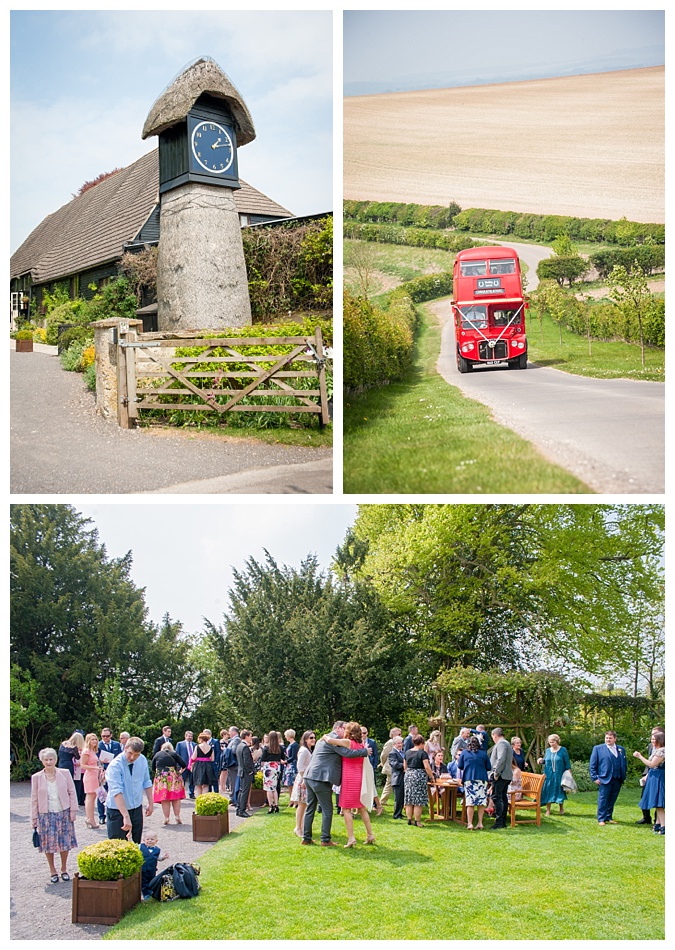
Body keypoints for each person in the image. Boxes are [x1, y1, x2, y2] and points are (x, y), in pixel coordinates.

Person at [302, 720, 368, 846]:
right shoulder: (333, 739)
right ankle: (325, 839)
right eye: (344, 728)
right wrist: (364, 751)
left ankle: (306, 838)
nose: (346, 732)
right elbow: (347, 753)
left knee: (310, 808)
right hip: (321, 778)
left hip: (310, 776)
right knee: (327, 809)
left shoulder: (326, 738)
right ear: (338, 728)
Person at [324, 722, 376, 847]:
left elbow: (331, 741)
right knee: (361, 808)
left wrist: (325, 736)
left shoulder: (348, 742)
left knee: (346, 809)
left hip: (349, 778)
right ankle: (370, 834)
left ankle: (351, 838)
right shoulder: (361, 745)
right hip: (359, 778)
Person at [31, 748, 78, 883]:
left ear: (55, 760)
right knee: (47, 843)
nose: (49, 762)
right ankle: (53, 870)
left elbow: (72, 792)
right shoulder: (36, 777)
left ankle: (64, 868)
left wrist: (73, 810)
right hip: (45, 814)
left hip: (63, 812)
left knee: (65, 841)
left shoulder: (64, 773)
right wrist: (34, 817)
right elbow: (34, 799)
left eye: (51, 759)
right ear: (42, 761)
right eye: (46, 760)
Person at [105, 736, 154, 844]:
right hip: (117, 810)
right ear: (125, 748)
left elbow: (146, 781)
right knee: (118, 845)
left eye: (136, 755)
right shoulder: (115, 765)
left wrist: (151, 802)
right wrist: (125, 816)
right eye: (130, 753)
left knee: (136, 844)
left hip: (136, 807)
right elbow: (116, 792)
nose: (132, 757)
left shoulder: (142, 760)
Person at [589, 730, 627, 826]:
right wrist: (594, 777)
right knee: (603, 799)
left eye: (610, 738)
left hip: (617, 778)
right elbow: (593, 764)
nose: (608, 740)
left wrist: (623, 775)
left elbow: (624, 763)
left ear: (615, 739)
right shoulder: (598, 749)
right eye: (606, 738)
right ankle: (601, 819)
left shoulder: (621, 749)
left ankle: (608, 817)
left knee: (612, 798)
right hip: (604, 778)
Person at [633, 729, 665, 835]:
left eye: (654, 739)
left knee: (659, 802)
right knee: (657, 803)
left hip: (658, 777)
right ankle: (658, 824)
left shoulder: (662, 751)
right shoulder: (658, 749)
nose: (652, 741)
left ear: (660, 740)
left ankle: (664, 826)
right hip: (654, 776)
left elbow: (652, 764)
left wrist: (640, 756)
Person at [151, 741, 187, 825]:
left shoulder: (157, 754)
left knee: (165, 798)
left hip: (161, 777)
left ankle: (166, 818)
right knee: (176, 797)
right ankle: (177, 816)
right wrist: (179, 772)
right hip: (173, 776)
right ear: (171, 748)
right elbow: (184, 765)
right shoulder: (174, 754)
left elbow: (153, 767)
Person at [459, 736, 491, 830]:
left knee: (470, 802)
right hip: (481, 779)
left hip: (469, 779)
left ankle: (470, 823)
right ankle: (480, 823)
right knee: (481, 802)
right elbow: (488, 767)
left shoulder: (465, 753)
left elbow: (460, 765)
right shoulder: (483, 753)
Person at [403, 734, 435, 827]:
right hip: (419, 776)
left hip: (409, 775)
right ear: (421, 743)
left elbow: (404, 766)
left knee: (409, 799)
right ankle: (417, 821)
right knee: (418, 800)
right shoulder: (422, 753)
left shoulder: (407, 752)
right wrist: (431, 777)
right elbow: (427, 767)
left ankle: (409, 819)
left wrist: (408, 772)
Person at [537, 734, 571, 817]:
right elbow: (546, 760)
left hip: (559, 774)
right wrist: (541, 760)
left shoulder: (563, 750)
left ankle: (561, 808)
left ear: (557, 741)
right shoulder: (548, 750)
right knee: (548, 791)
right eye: (550, 742)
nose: (551, 744)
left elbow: (567, 762)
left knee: (559, 791)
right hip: (548, 775)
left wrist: (569, 772)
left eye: (553, 742)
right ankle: (548, 810)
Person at [489, 728, 513, 830]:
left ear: (495, 735)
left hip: (501, 775)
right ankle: (502, 820)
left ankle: (500, 821)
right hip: (505, 775)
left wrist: (496, 773)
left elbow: (501, 759)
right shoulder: (505, 743)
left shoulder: (502, 744)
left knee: (496, 797)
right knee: (502, 797)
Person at [97, 728, 122, 825]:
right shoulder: (98, 745)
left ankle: (114, 814)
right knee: (101, 794)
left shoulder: (116, 745)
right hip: (102, 771)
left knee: (115, 792)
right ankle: (101, 816)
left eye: (107, 736)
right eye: (103, 736)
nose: (105, 738)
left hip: (114, 771)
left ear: (111, 735)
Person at [80, 733, 103, 829]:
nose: (95, 741)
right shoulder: (86, 751)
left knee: (93, 797)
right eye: (92, 739)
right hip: (90, 775)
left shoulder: (93, 751)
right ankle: (90, 818)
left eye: (96, 739)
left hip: (95, 775)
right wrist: (95, 768)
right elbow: (83, 765)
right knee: (90, 797)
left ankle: (91, 818)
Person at [261, 731, 286, 813]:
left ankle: (271, 805)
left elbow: (263, 759)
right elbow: (282, 758)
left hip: (268, 767)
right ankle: (276, 805)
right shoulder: (280, 748)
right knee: (274, 787)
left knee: (268, 788)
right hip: (276, 767)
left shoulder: (266, 748)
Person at [361, 726, 383, 815]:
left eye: (364, 733)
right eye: (361, 733)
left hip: (368, 766)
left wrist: (374, 766)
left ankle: (378, 805)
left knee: (371, 785)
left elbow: (375, 755)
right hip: (361, 766)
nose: (362, 735)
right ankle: (359, 807)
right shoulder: (357, 741)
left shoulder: (372, 742)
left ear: (367, 733)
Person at [140, 830, 168, 900]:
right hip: (143, 869)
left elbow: (158, 858)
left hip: (152, 870)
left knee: (152, 881)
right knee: (144, 882)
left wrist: (163, 857)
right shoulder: (141, 847)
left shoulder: (157, 850)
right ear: (144, 840)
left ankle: (152, 892)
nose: (150, 841)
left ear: (156, 841)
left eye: (152, 839)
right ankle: (146, 894)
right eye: (147, 839)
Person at [58, 732, 85, 806]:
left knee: (61, 783)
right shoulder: (74, 748)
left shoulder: (63, 744)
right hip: (69, 765)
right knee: (70, 783)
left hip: (61, 764)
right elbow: (78, 757)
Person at [379, 727, 402, 806]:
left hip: (395, 766)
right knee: (389, 784)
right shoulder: (390, 742)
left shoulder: (398, 742)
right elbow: (384, 754)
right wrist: (383, 763)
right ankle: (382, 801)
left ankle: (382, 801)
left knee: (389, 784)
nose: (401, 735)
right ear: (393, 734)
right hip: (390, 766)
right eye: (399, 734)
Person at [235, 729, 255, 818]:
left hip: (241, 771)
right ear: (246, 736)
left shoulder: (239, 746)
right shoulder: (244, 747)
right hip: (246, 772)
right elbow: (247, 761)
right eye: (250, 736)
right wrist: (250, 771)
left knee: (241, 791)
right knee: (244, 791)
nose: (251, 738)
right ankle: (242, 810)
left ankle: (239, 808)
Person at [189, 733, 217, 798]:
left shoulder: (197, 747)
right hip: (208, 765)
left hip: (199, 765)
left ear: (201, 739)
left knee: (198, 784)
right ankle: (204, 800)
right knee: (206, 784)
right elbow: (212, 759)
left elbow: (193, 757)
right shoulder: (211, 747)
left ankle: (199, 799)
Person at [388, 736, 406, 819]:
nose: (400, 745)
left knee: (402, 797)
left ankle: (400, 813)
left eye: (401, 743)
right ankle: (396, 814)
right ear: (394, 744)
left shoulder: (403, 752)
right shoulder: (392, 753)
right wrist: (405, 766)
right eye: (398, 743)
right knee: (398, 798)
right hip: (397, 778)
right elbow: (395, 765)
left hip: (404, 777)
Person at [175, 731, 196, 799]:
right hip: (183, 765)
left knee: (192, 780)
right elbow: (177, 755)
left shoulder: (195, 745)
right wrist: (178, 765)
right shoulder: (180, 744)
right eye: (188, 736)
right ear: (185, 736)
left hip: (192, 765)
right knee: (181, 780)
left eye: (191, 736)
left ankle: (191, 793)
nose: (190, 737)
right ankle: (181, 794)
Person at [283, 729, 299, 801]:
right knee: (289, 783)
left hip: (293, 766)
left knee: (292, 782)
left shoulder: (295, 745)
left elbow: (294, 756)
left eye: (286, 735)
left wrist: (285, 761)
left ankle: (294, 800)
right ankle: (291, 799)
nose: (285, 737)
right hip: (289, 765)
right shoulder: (290, 745)